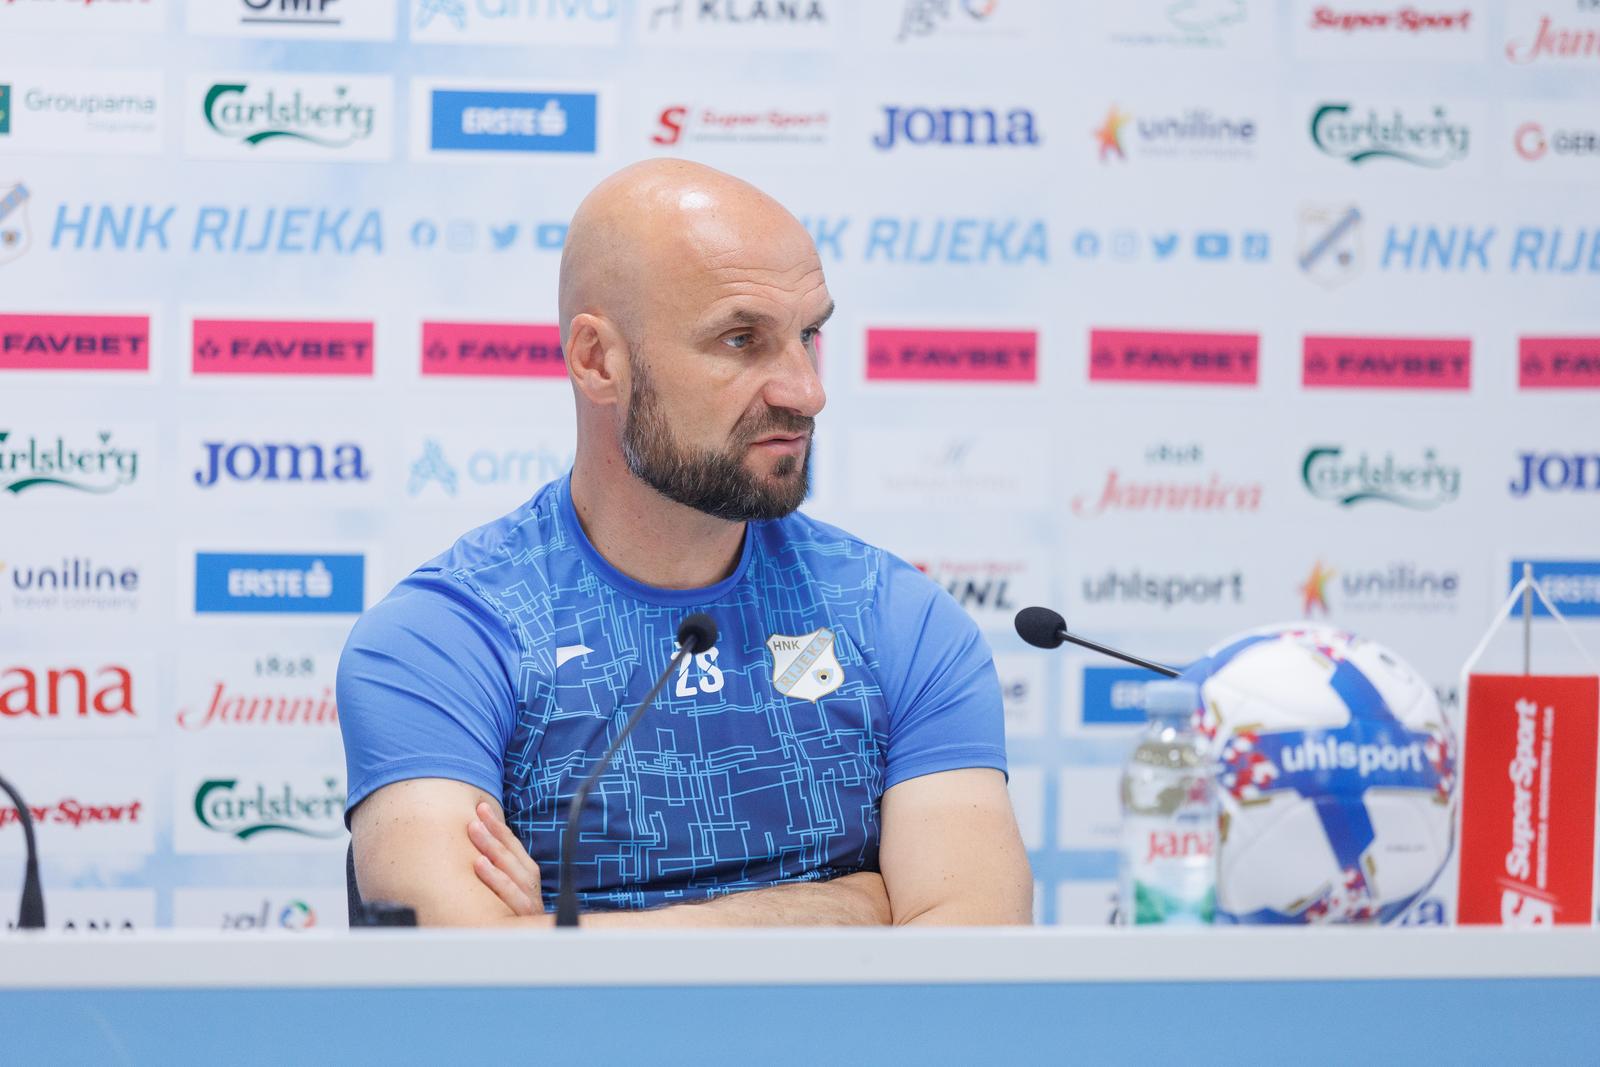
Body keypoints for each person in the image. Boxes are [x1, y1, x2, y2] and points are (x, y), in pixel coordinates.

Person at [338, 159, 1032, 927]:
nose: (806, 390)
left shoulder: (899, 619)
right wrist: (839, 906)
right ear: (599, 361)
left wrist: (553, 939)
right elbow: (448, 973)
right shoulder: (443, 638)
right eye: (742, 340)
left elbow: (973, 947)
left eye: (808, 335)